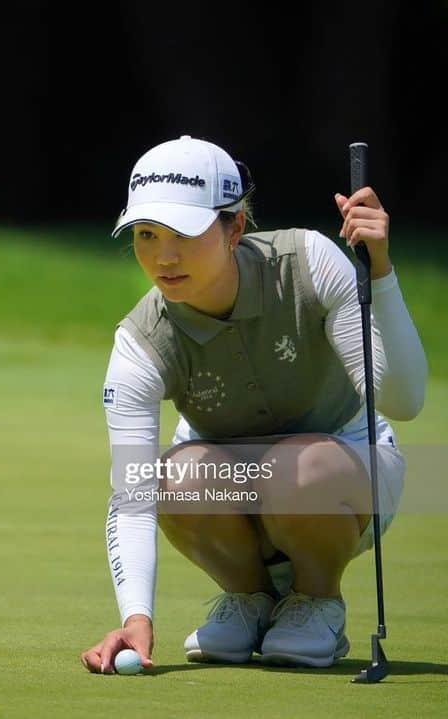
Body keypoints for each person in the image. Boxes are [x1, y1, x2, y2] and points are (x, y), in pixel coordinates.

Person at [80, 135, 427, 673]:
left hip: (346, 475)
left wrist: (378, 272)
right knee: (173, 473)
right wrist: (135, 616)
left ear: (234, 226)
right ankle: (250, 598)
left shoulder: (309, 263)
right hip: (231, 495)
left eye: (184, 234)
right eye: (146, 235)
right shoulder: (141, 339)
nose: (163, 256)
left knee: (297, 469)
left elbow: (404, 400)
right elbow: (131, 492)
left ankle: (317, 602)